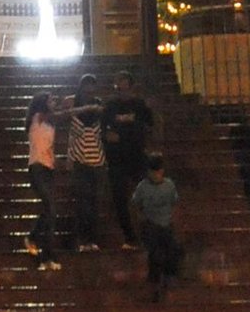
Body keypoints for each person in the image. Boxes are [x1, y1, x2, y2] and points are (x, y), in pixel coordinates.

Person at [101, 71, 157, 248]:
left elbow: (151, 123)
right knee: (119, 198)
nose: (122, 89)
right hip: (116, 157)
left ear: (131, 86)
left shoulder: (139, 104)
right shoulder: (110, 105)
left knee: (145, 195)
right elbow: (102, 128)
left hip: (136, 155)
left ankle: (148, 233)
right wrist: (107, 135)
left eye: (125, 85)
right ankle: (129, 236)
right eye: (119, 85)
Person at [130, 152, 181, 300]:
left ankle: (169, 278)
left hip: (166, 225)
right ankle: (155, 283)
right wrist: (141, 221)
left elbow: (175, 204)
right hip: (150, 226)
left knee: (174, 249)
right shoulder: (143, 187)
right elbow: (135, 206)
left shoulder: (169, 185)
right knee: (156, 253)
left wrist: (174, 222)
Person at [66, 74, 107, 250]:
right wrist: (70, 158)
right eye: (86, 89)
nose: (89, 93)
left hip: (97, 160)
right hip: (80, 160)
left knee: (94, 202)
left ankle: (92, 239)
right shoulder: (74, 105)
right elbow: (71, 137)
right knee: (82, 202)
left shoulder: (99, 107)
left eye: (92, 90)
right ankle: (83, 239)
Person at [25, 90, 64, 269]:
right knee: (50, 210)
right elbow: (64, 112)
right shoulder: (38, 117)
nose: (53, 102)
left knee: (50, 211)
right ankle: (47, 256)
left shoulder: (50, 123)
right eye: (50, 100)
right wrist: (87, 107)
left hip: (48, 168)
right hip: (37, 167)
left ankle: (35, 239)